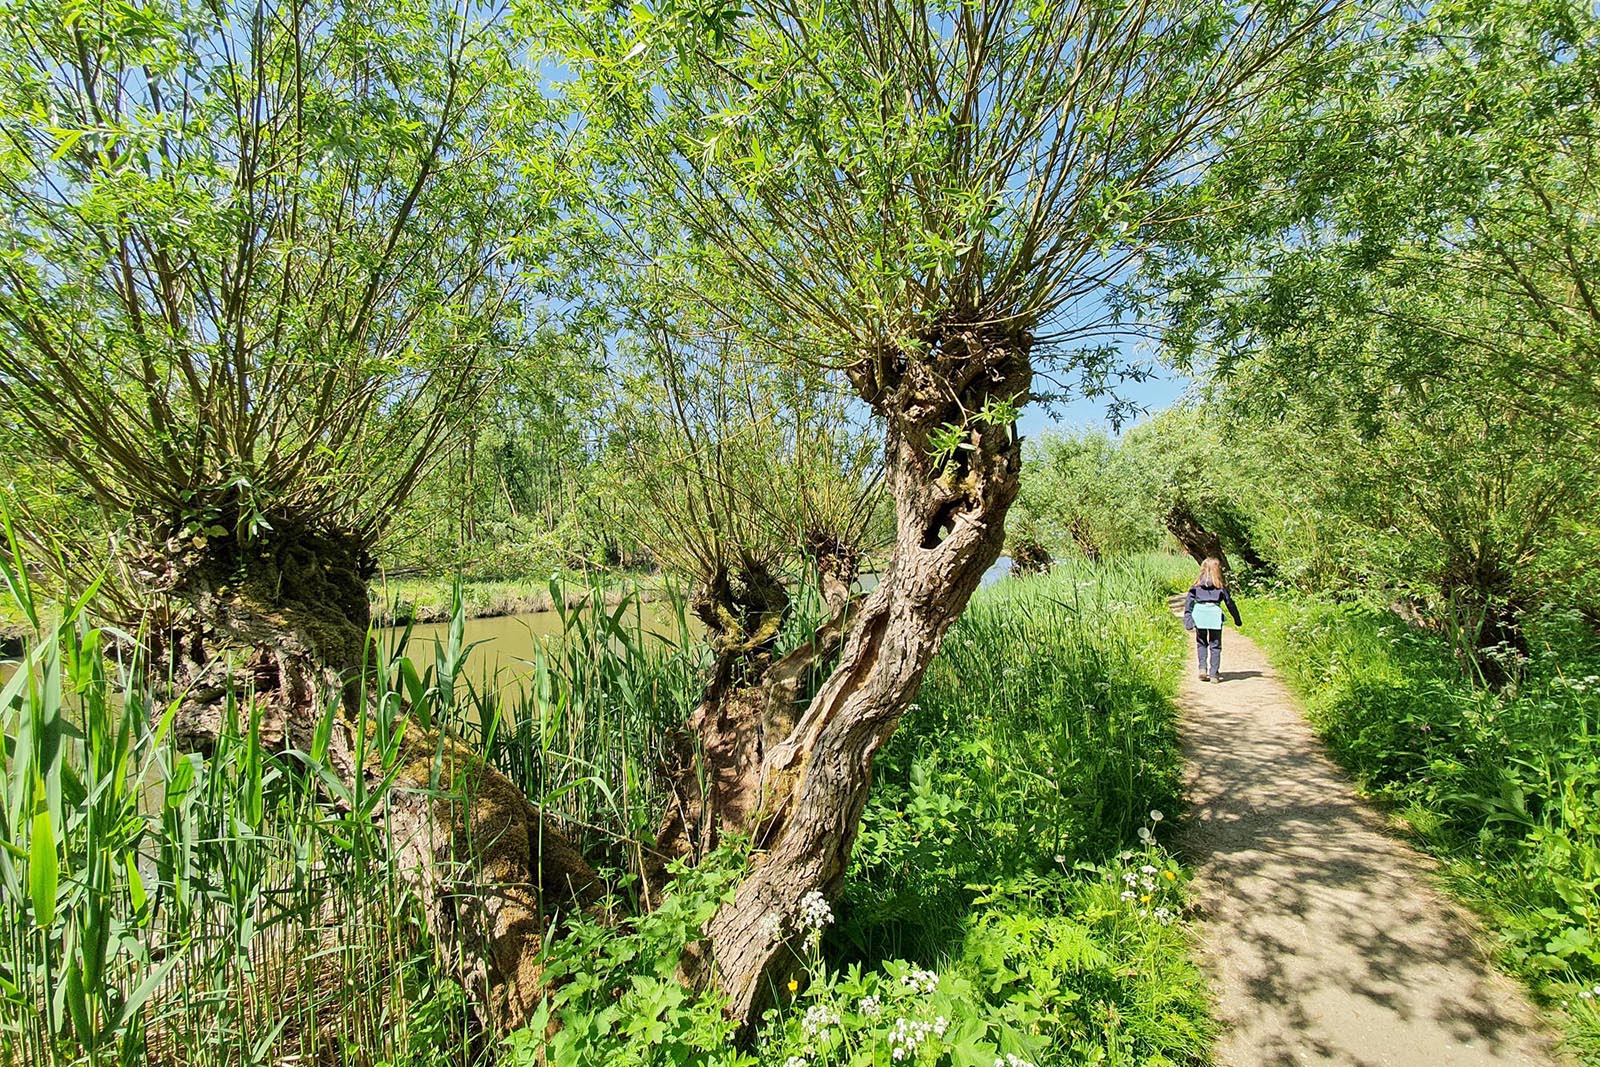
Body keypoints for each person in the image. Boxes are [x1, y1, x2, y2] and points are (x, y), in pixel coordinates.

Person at [1183, 557, 1241, 683]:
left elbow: (1189, 602)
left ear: (1202, 570)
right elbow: (1229, 603)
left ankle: (1202, 668)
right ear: (1217, 571)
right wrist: (1237, 619)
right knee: (1215, 645)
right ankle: (1214, 674)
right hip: (1214, 615)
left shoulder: (1196, 587)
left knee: (1201, 642)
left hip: (1200, 615)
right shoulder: (1220, 587)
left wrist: (1188, 619)